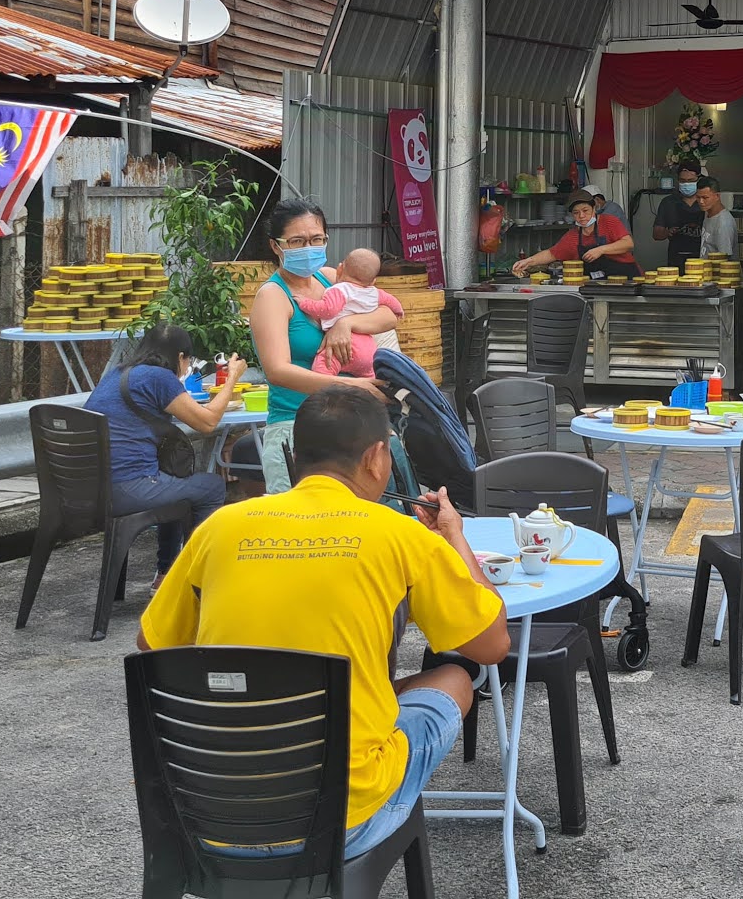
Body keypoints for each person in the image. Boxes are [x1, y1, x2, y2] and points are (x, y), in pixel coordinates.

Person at [138, 388, 509, 861]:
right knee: (455, 678)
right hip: (335, 825)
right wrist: (455, 536)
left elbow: (152, 645)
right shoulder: (403, 537)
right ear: (377, 458)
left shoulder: (218, 527)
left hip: (206, 819)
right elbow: (493, 644)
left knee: (342, 687)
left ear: (297, 455)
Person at [248, 200, 395, 494]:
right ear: (276, 246)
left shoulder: (331, 278)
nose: (308, 247)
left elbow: (389, 314)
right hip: (297, 430)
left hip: (350, 428)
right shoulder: (273, 297)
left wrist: (347, 324)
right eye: (297, 241)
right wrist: (351, 386)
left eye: (317, 239)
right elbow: (278, 371)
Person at [85, 321, 237, 577]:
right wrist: (232, 376)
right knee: (211, 486)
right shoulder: (160, 377)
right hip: (128, 489)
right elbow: (207, 422)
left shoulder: (116, 373)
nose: (186, 368)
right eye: (188, 362)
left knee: (175, 479)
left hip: (89, 491)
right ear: (180, 357)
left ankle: (166, 573)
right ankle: (194, 579)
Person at [297, 248, 404, 379]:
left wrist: (304, 303)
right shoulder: (374, 292)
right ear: (373, 281)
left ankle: (321, 393)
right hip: (368, 350)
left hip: (345, 349)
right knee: (370, 381)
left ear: (340, 269)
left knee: (323, 370)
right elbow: (391, 300)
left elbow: (328, 310)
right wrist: (399, 310)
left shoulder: (340, 290)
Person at [511, 190, 640, 278]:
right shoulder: (573, 236)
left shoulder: (609, 222)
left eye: (585, 210)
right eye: (576, 213)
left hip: (627, 281)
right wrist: (528, 261)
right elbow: (552, 253)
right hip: (598, 285)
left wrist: (601, 250)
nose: (581, 216)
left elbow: (628, 243)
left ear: (594, 209)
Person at [651, 160, 706, 266]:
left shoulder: (705, 201)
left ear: (698, 179)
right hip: (676, 259)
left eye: (690, 181)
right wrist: (667, 232)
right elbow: (656, 234)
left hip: (702, 258)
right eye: (683, 181)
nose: (686, 184)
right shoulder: (668, 202)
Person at [694, 177, 737, 259]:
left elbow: (724, 258)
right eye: (698, 197)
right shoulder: (707, 213)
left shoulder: (723, 222)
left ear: (717, 196)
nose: (701, 202)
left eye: (705, 198)